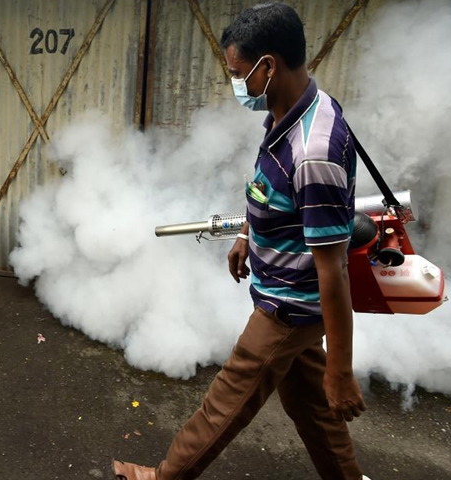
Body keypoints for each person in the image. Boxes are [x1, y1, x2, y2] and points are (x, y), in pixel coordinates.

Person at [112, 3, 371, 480]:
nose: (236, 84)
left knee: (225, 402)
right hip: (289, 295)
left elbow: (333, 271)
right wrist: (248, 235)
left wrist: (342, 369)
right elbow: (273, 192)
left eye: (238, 73)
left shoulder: (314, 152)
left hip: (288, 307)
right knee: (312, 410)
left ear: (268, 65)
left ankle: (162, 477)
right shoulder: (289, 112)